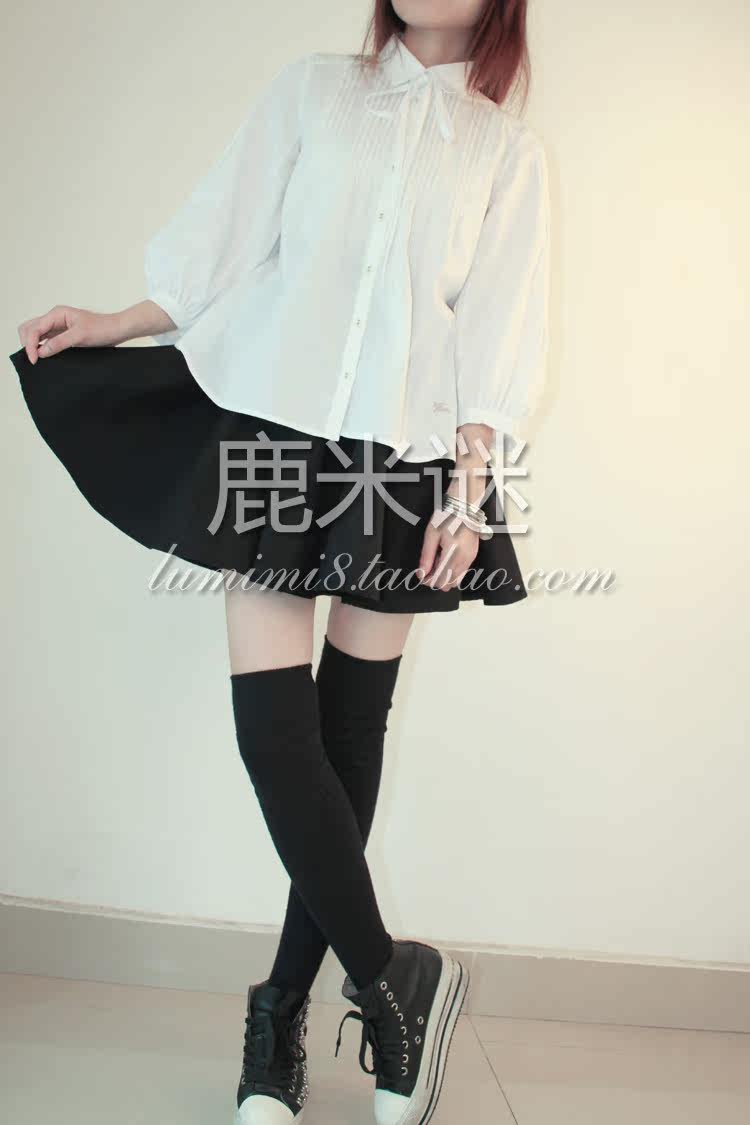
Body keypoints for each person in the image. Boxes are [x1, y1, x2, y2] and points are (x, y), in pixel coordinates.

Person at [10, 1, 550, 1122]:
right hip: (275, 434)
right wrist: (116, 321)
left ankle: (280, 1016)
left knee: (348, 733)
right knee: (275, 733)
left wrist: (470, 490)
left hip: (405, 458)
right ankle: (394, 979)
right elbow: (226, 237)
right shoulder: (314, 91)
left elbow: (499, 333)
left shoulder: (506, 152)